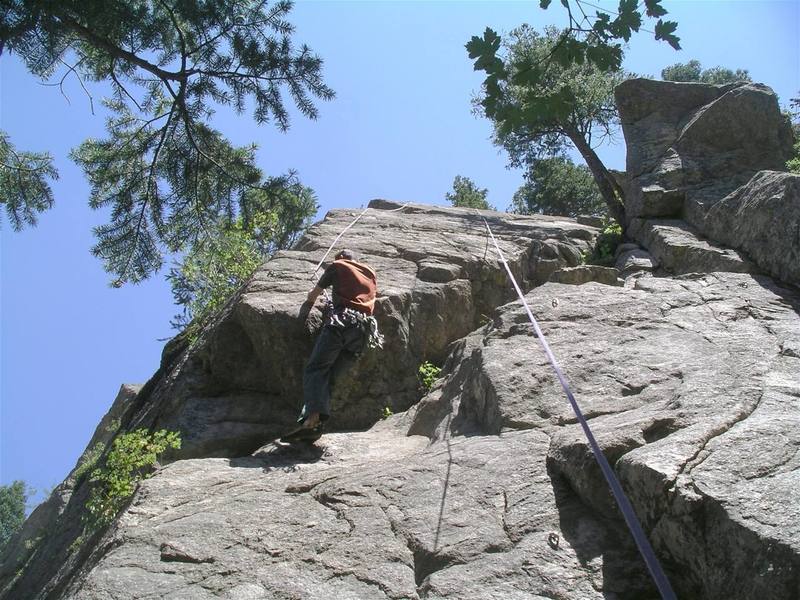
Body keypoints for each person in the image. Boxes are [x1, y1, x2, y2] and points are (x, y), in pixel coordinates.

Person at [281, 249, 383, 443]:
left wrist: (315, 297)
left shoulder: (338, 266)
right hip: (362, 333)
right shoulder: (370, 273)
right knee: (326, 379)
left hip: (341, 324)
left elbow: (313, 296)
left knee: (316, 370)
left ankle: (312, 421)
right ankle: (314, 424)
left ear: (341, 258)